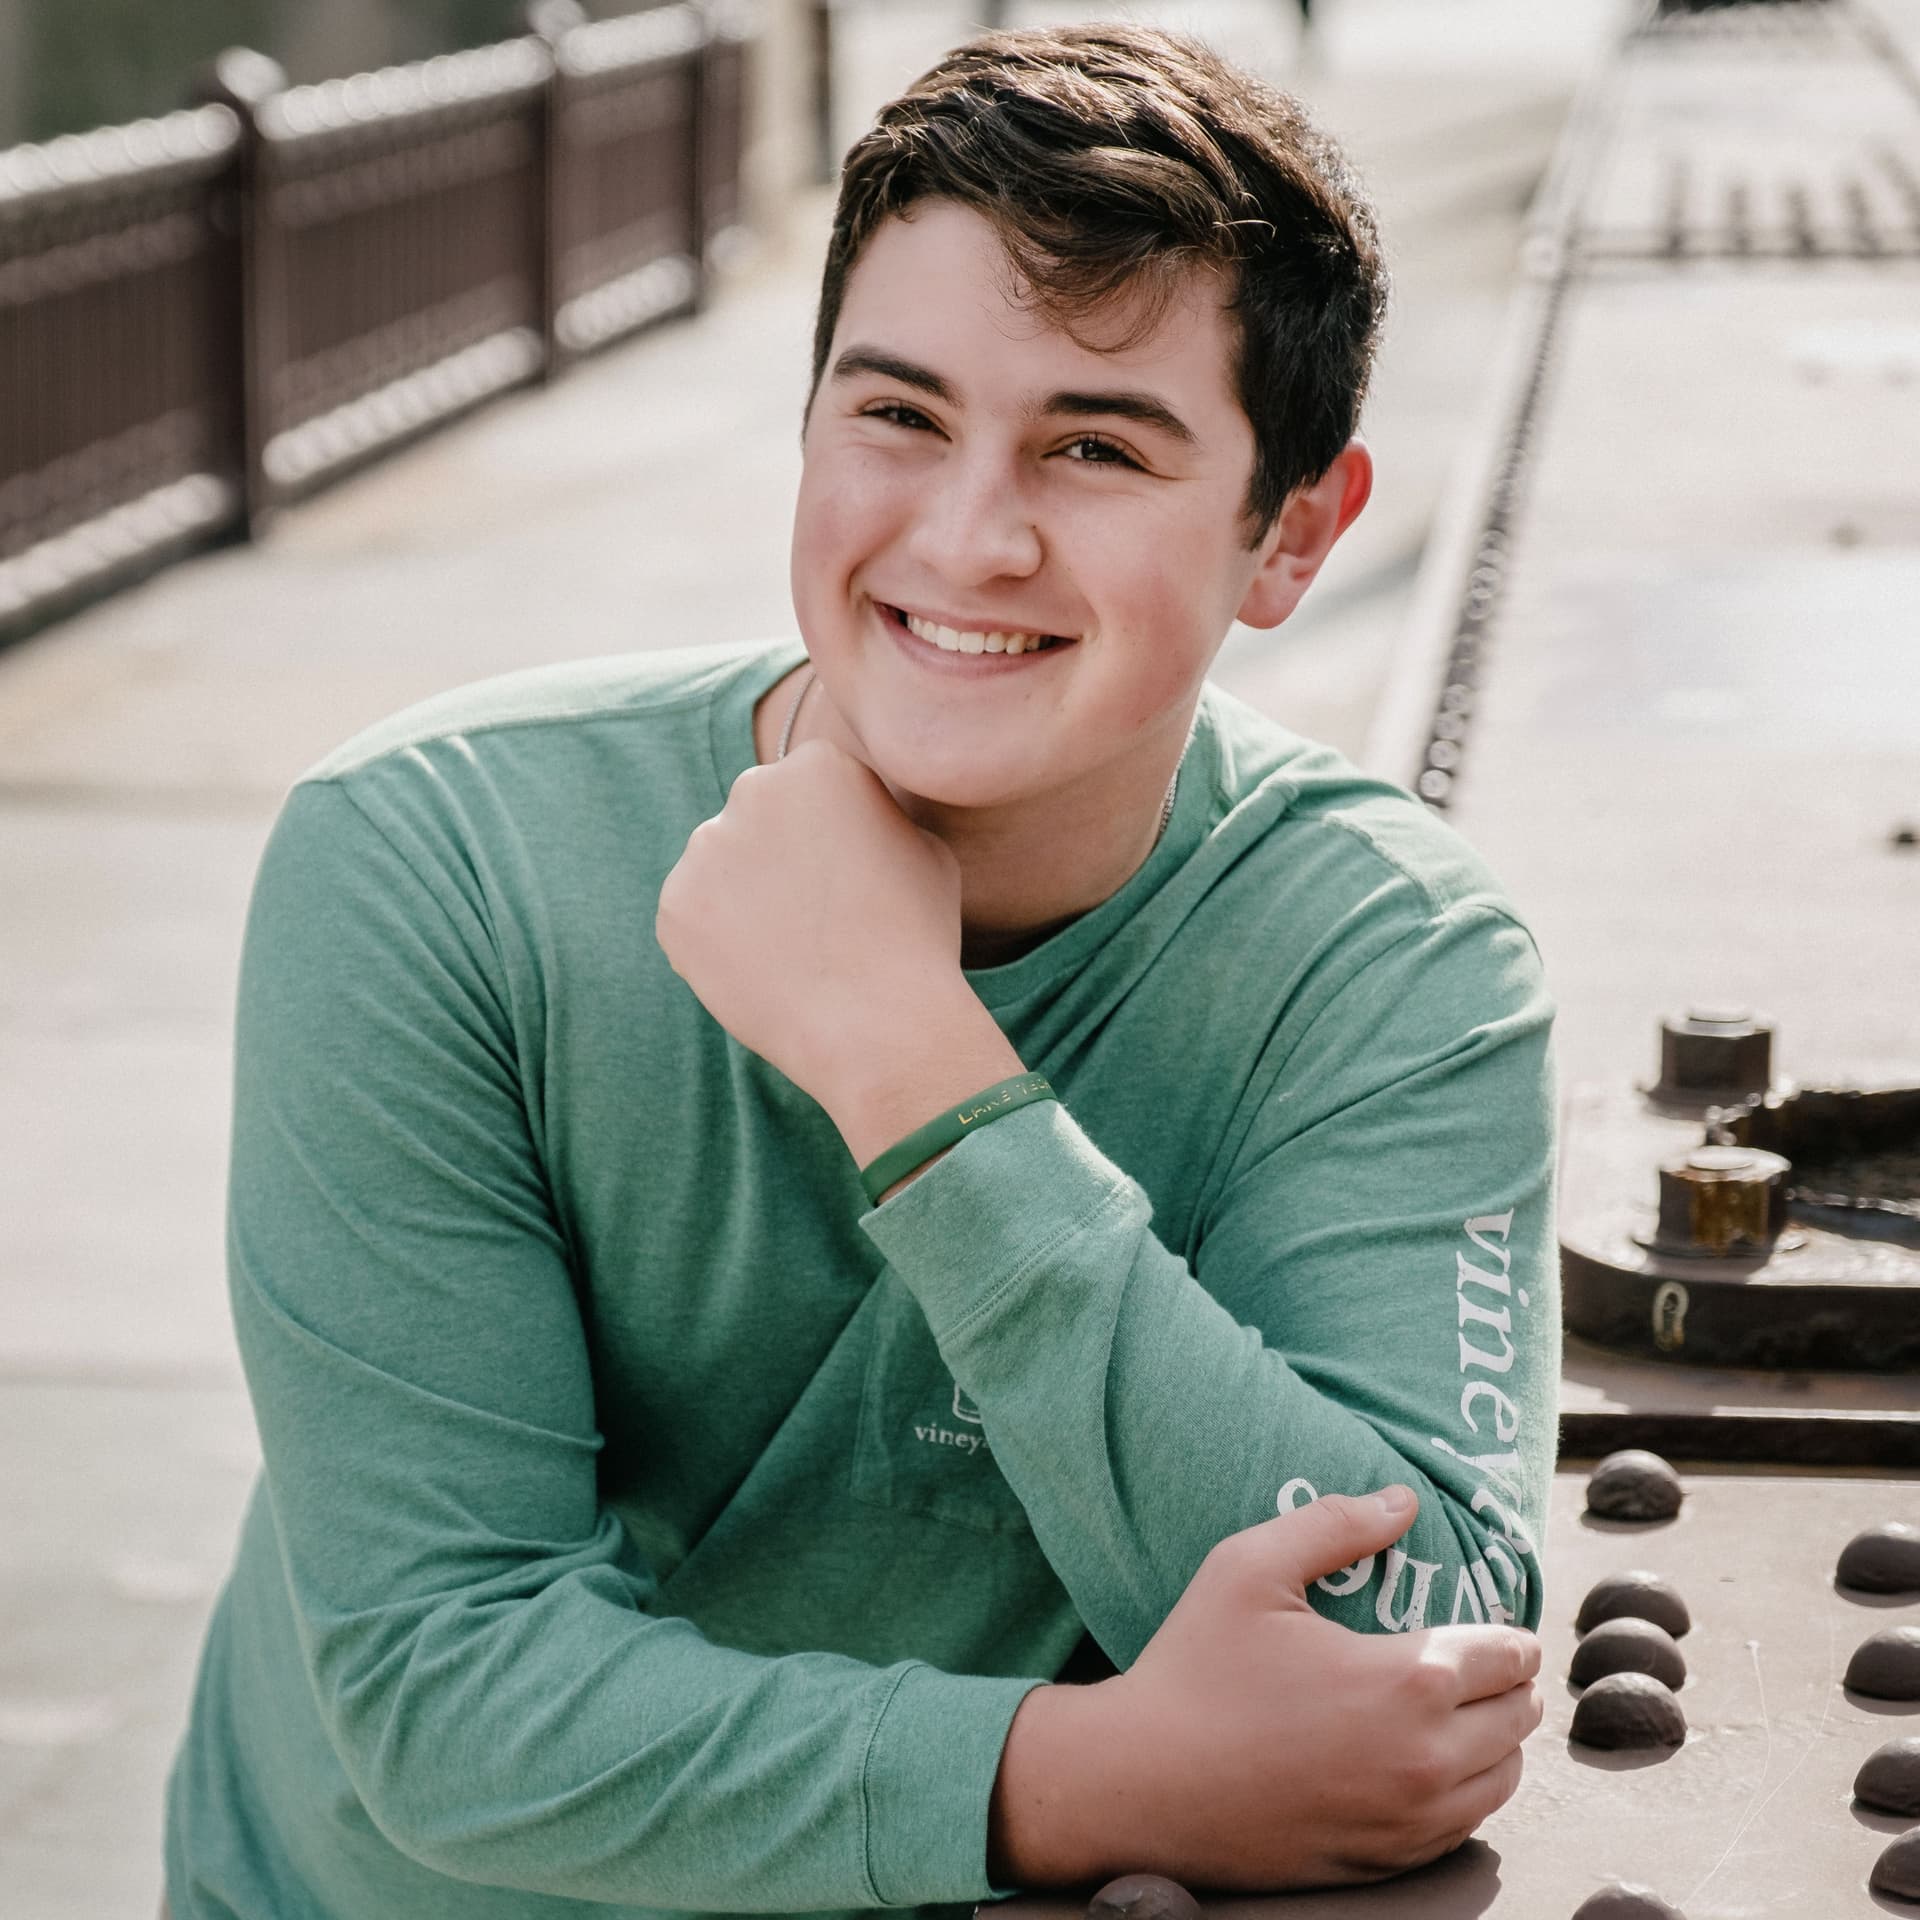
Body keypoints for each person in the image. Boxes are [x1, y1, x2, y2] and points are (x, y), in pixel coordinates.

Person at [163, 24, 1555, 1920]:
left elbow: (1423, 1640)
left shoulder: (1395, 968)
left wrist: (916, 1068)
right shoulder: (434, 861)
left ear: (1292, 531)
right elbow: (441, 1691)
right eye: (896, 415)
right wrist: (1076, 1779)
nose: (966, 540)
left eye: (1094, 446)